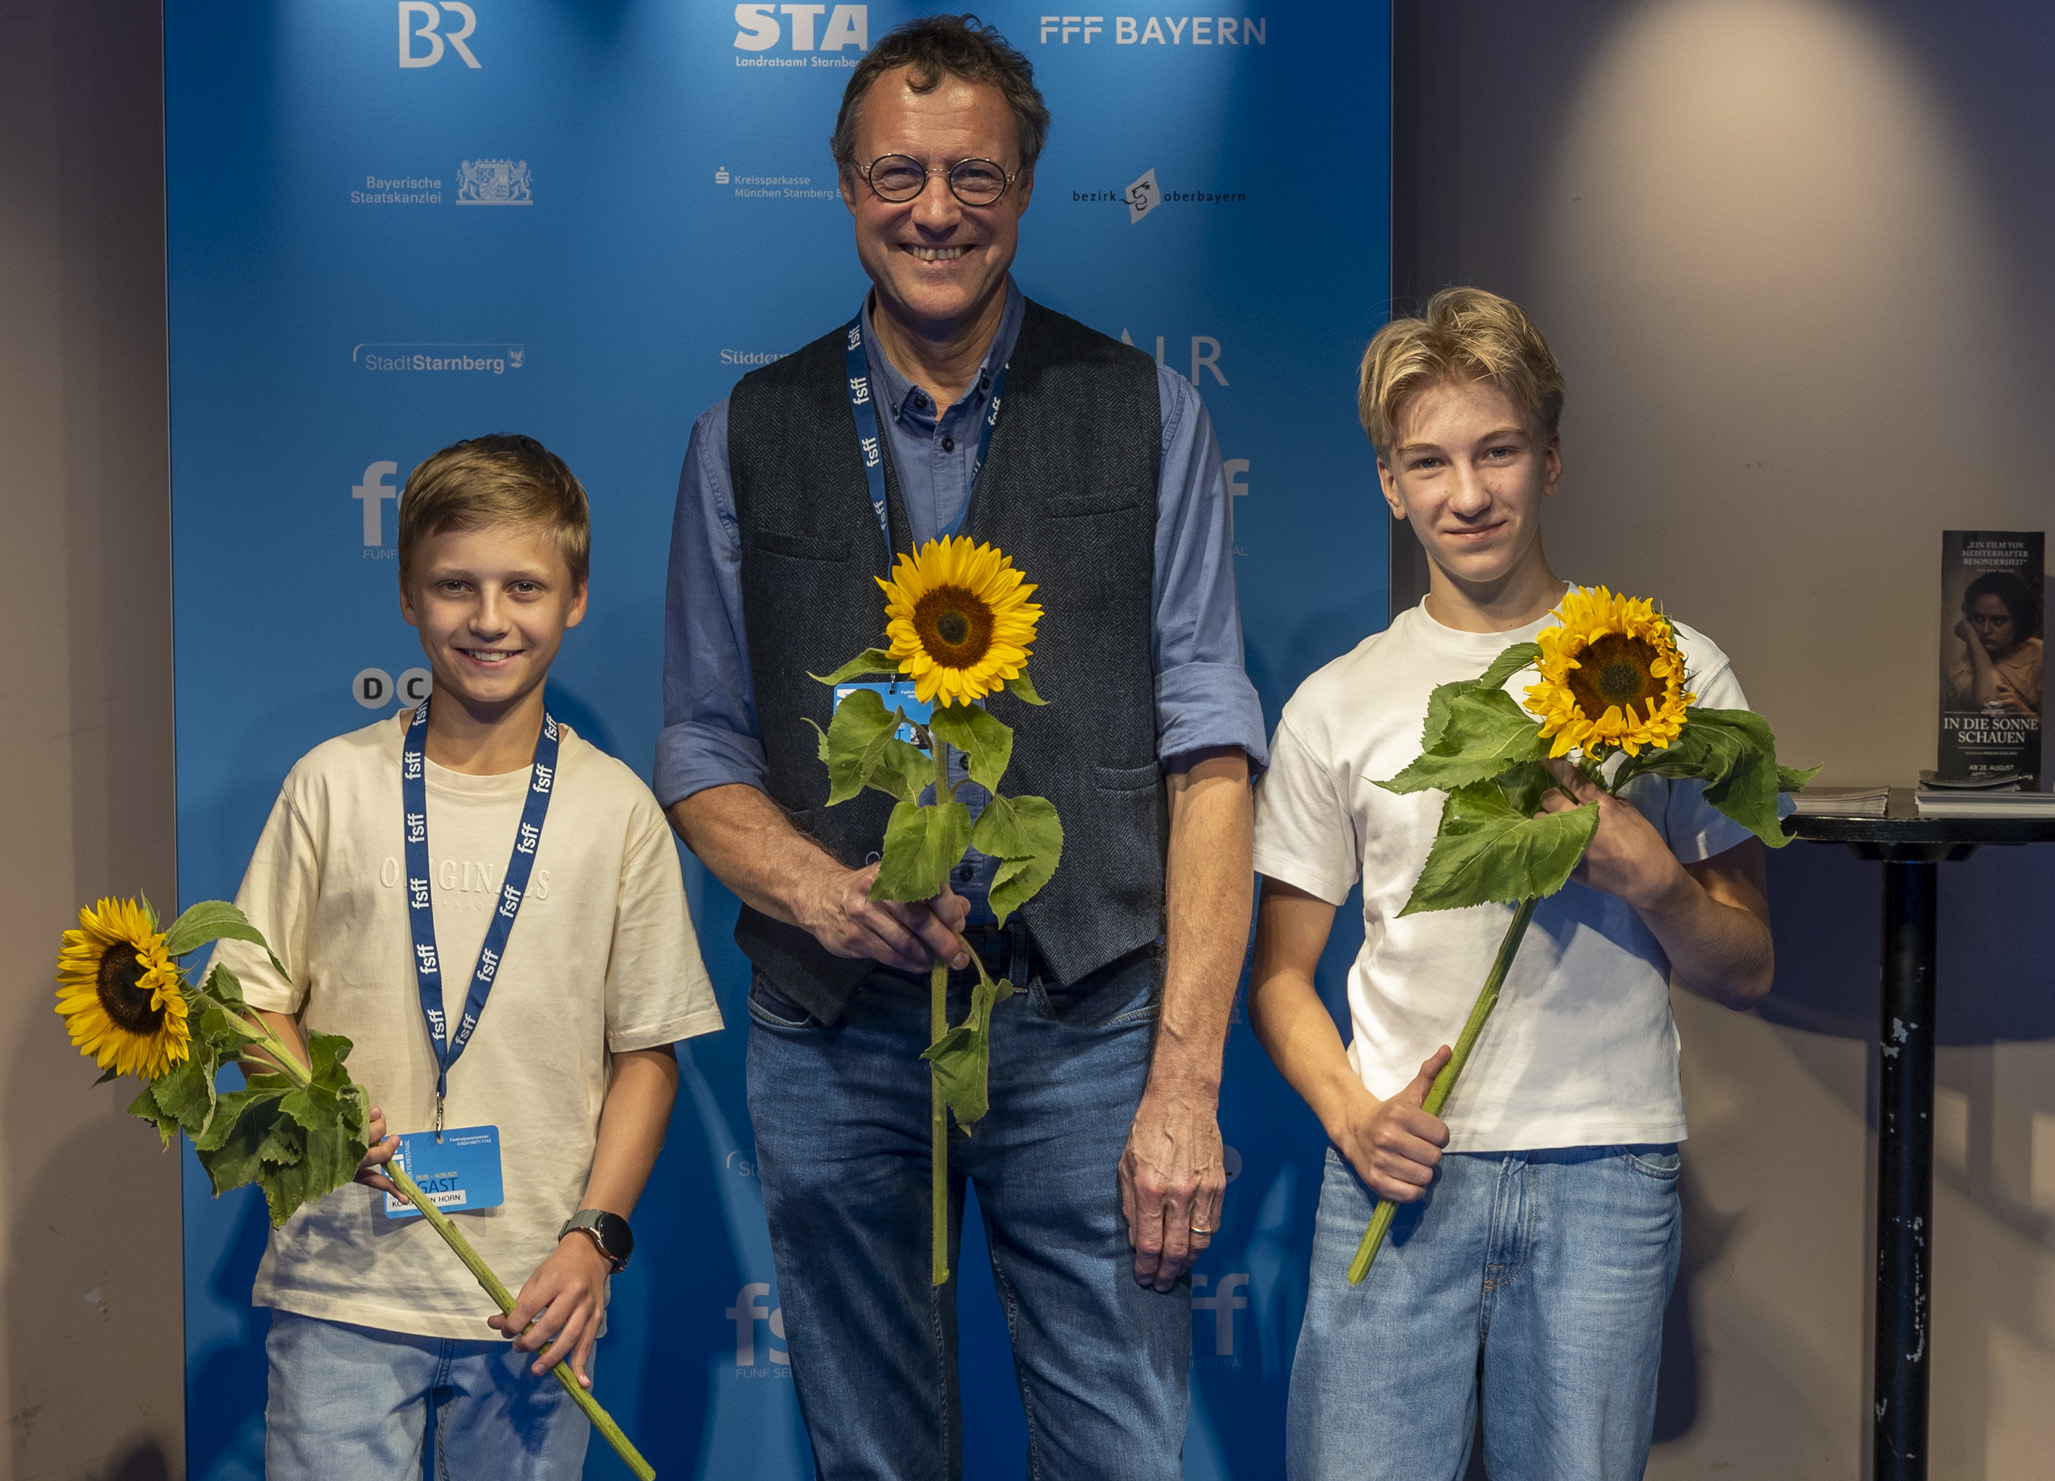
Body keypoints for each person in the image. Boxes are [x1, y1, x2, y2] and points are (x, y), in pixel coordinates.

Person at [655, 15, 1263, 1479]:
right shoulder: (743, 432)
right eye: (898, 174)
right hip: (835, 1035)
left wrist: (1183, 1081)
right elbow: (700, 745)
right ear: (846, 186)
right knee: (871, 1459)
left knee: (1121, 1456)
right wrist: (818, 893)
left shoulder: (1148, 413)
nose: (935, 210)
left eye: (973, 176)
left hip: (1086, 1027)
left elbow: (1209, 759)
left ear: (1025, 187)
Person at [1247, 288, 1778, 1481]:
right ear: (1389, 483)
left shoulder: (1675, 672)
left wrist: (1653, 881)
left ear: (1550, 456)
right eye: (1427, 462)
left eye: (1495, 450)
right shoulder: (1336, 701)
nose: (1467, 493)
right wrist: (1351, 1114)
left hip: (1606, 1166)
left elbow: (1747, 962)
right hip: (1395, 1163)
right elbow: (1277, 979)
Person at [215, 434, 725, 1480]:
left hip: (537, 1296)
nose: (490, 618)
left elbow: (646, 1053)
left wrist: (592, 1237)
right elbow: (247, 1000)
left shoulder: (617, 810)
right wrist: (318, 1099)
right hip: (342, 1286)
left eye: (523, 586)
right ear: (409, 595)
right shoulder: (331, 784)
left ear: (574, 597)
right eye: (456, 585)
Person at [1947, 569, 2043, 716]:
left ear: (2019, 620)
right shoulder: (1961, 668)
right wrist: (1972, 638)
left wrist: (2024, 712)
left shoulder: (2041, 653)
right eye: (1978, 619)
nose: (1985, 630)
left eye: (1998, 620)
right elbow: (1990, 702)